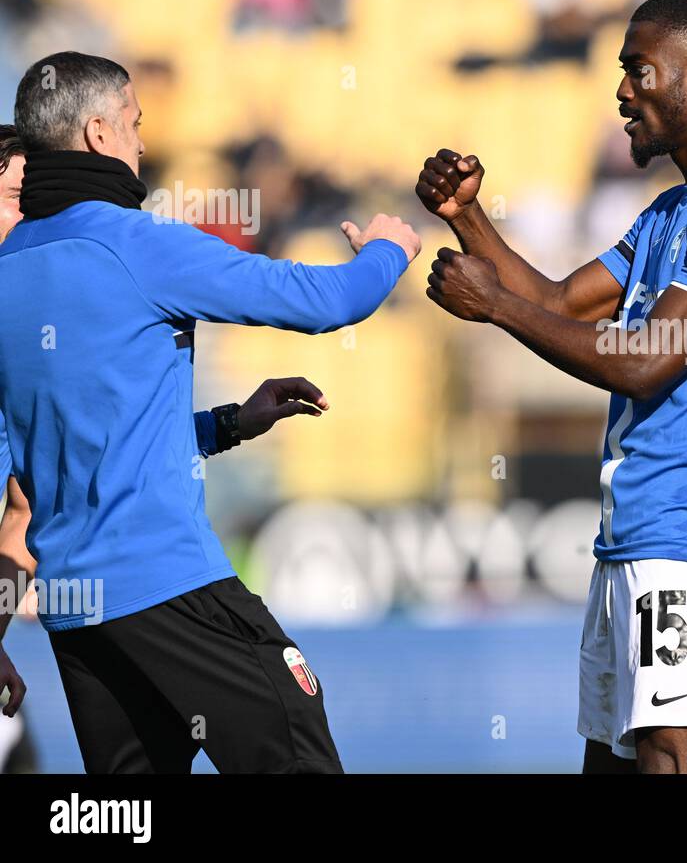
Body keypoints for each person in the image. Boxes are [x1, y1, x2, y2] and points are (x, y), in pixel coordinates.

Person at [417, 0, 687, 773]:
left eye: (640, 70)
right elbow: (562, 303)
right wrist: (467, 218)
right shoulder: (672, 211)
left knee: (675, 762)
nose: (623, 91)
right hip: (632, 536)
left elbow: (644, 359)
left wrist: (493, 306)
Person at [0, 51, 421, 773]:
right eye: (134, 124)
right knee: (296, 747)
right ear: (99, 133)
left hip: (79, 618)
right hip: (167, 583)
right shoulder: (138, 242)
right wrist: (388, 251)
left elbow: (48, 463)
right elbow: (329, 301)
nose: (141, 141)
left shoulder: (10, 270)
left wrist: (231, 423)